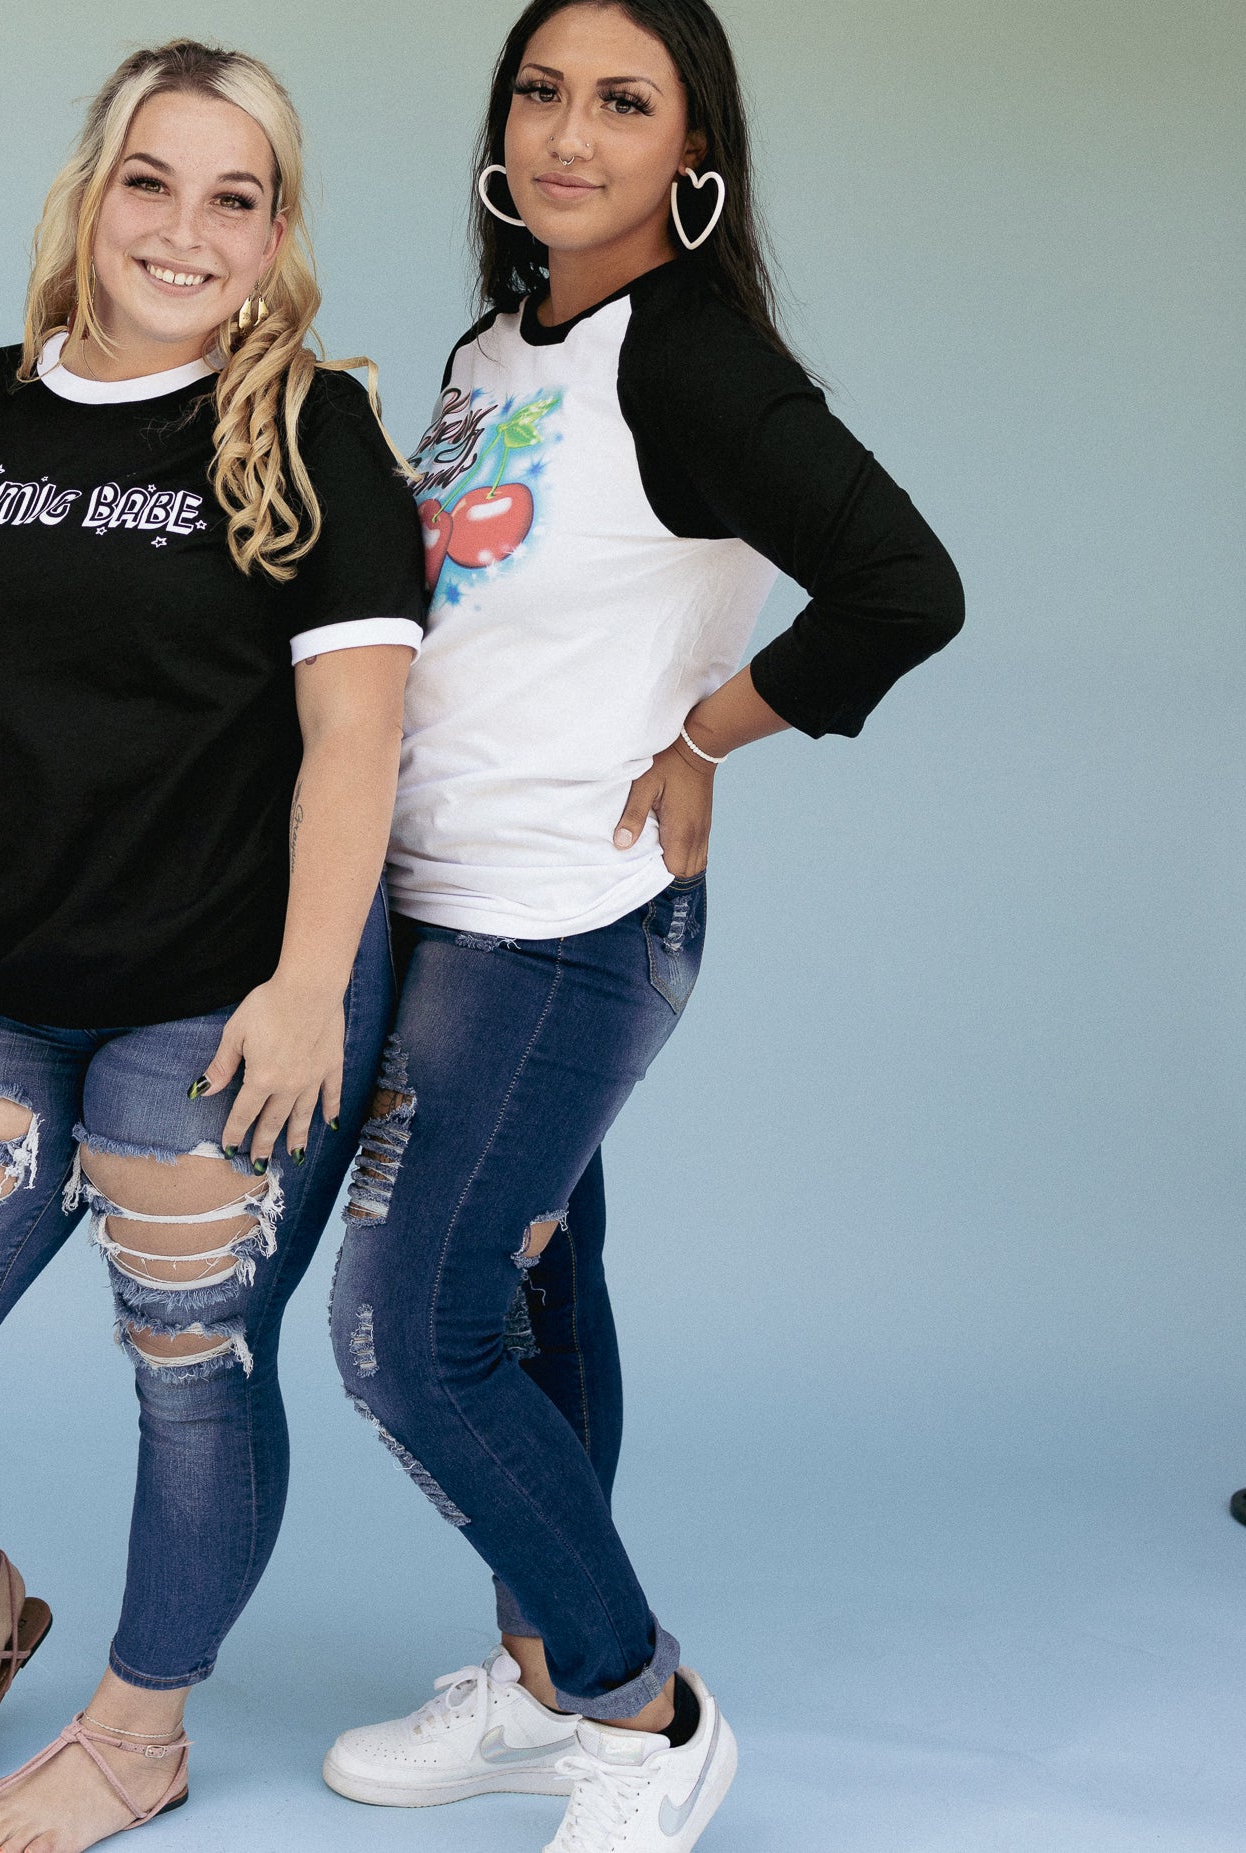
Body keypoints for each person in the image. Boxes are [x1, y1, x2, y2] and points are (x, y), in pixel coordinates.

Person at [321, 3, 964, 1848]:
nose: (566, 134)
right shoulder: (497, 339)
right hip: (451, 904)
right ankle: (539, 1682)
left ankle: (640, 1702)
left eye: (620, 101)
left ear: (692, 149)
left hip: (566, 923)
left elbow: (902, 586)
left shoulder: (687, 356)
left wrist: (708, 730)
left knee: (409, 1335)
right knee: (528, 1303)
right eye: (539, 91)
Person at [0, 39, 424, 1853]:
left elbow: (357, 738)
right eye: (154, 179)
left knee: (191, 1361)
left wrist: (310, 985)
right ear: (92, 188)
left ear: (276, 230)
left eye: (239, 195)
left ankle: (141, 1728)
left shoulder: (308, 429)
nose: (186, 228)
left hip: (220, 996)